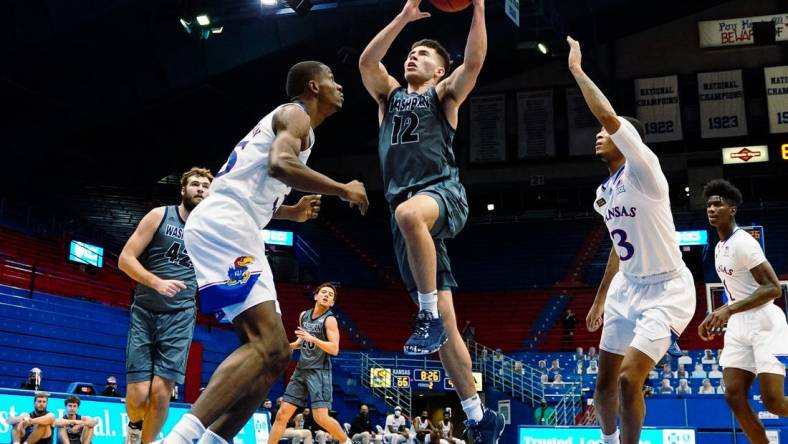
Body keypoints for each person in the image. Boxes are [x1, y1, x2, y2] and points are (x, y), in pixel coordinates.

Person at [159, 60, 368, 444]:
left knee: (274, 354)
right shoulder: (296, 114)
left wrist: (291, 211)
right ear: (313, 86)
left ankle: (211, 441)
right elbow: (279, 164)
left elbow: (253, 185)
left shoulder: (301, 129)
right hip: (227, 223)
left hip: (235, 224)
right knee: (265, 343)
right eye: (333, 80)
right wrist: (341, 188)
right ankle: (178, 439)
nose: (341, 87)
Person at [358, 0, 503, 440]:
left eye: (424, 54)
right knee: (447, 327)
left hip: (442, 194)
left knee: (408, 213)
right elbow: (368, 61)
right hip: (408, 221)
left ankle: (424, 315)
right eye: (411, 53)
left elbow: (475, 61)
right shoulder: (388, 96)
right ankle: (480, 416)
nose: (413, 56)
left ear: (441, 70)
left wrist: (478, 7)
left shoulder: (443, 96)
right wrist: (403, 17)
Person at [568, 36, 696, 444]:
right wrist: (601, 296)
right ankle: (606, 440)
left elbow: (606, 115)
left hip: (667, 288)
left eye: (608, 133)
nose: (599, 135)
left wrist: (577, 71)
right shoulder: (604, 192)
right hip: (628, 287)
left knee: (628, 380)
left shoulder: (645, 169)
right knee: (603, 386)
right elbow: (618, 248)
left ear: (628, 141)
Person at [119, 166, 213, 444]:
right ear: (183, 189)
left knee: (161, 393)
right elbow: (125, 259)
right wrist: (156, 282)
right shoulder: (160, 215)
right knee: (137, 395)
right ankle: (134, 428)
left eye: (206, 186)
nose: (200, 189)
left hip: (181, 316)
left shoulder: (211, 231)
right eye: (195, 184)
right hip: (145, 312)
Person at [699, 179, 788, 443]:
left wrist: (729, 310)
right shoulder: (718, 247)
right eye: (709, 205)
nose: (712, 209)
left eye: (718, 204)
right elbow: (740, 293)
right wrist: (718, 312)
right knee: (734, 395)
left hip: (764, 323)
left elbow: (773, 288)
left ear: (732, 210)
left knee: (772, 401)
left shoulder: (744, 243)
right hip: (738, 325)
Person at [267, 283, 350, 444]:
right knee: (282, 414)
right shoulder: (304, 315)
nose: (326, 295)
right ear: (316, 296)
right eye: (323, 292)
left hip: (319, 372)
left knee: (321, 418)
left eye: (330, 295)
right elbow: (301, 341)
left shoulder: (330, 320)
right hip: (301, 370)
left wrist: (313, 339)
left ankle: (347, 442)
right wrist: (288, 346)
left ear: (332, 302)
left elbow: (334, 349)